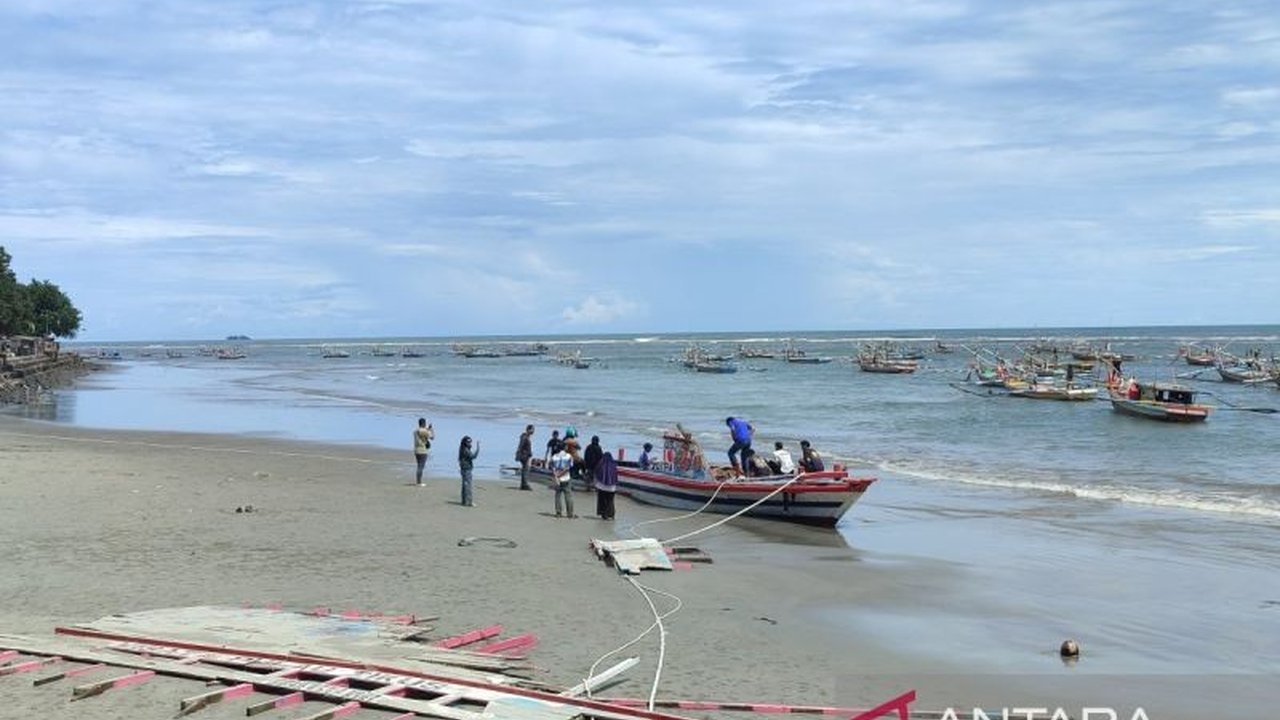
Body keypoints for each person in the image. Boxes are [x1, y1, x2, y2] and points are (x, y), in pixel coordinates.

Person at [549, 444, 575, 518]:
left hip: (557, 479)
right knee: (568, 496)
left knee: (558, 496)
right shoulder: (569, 456)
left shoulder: (554, 457)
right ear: (564, 448)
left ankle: (558, 513)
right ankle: (570, 513)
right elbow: (568, 468)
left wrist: (556, 476)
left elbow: (552, 468)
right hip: (566, 478)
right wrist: (560, 475)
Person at [594, 451, 618, 520]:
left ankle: (604, 514)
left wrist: (595, 482)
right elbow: (615, 476)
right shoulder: (614, 465)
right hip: (612, 487)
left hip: (602, 486)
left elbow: (596, 472)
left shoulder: (601, 463)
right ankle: (611, 514)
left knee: (602, 501)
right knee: (610, 501)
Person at [457, 436, 480, 507]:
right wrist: (478, 448)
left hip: (464, 469)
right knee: (468, 486)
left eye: (470, 442)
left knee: (465, 486)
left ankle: (464, 501)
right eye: (468, 442)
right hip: (466, 469)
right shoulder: (465, 450)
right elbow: (473, 456)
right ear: (465, 442)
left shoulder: (463, 449)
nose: (470, 443)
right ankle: (469, 502)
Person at [412, 418, 434, 485]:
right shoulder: (423, 431)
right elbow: (432, 437)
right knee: (421, 467)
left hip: (416, 450)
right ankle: (419, 482)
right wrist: (431, 429)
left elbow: (422, 433)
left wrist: (427, 429)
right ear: (424, 423)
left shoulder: (415, 431)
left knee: (419, 466)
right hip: (422, 451)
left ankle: (418, 481)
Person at [514, 424, 535, 491]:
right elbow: (520, 446)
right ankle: (524, 484)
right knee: (525, 469)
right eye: (532, 429)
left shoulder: (527, 437)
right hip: (524, 455)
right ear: (528, 430)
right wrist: (518, 454)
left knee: (525, 469)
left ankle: (523, 484)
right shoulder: (524, 437)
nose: (533, 431)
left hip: (526, 455)